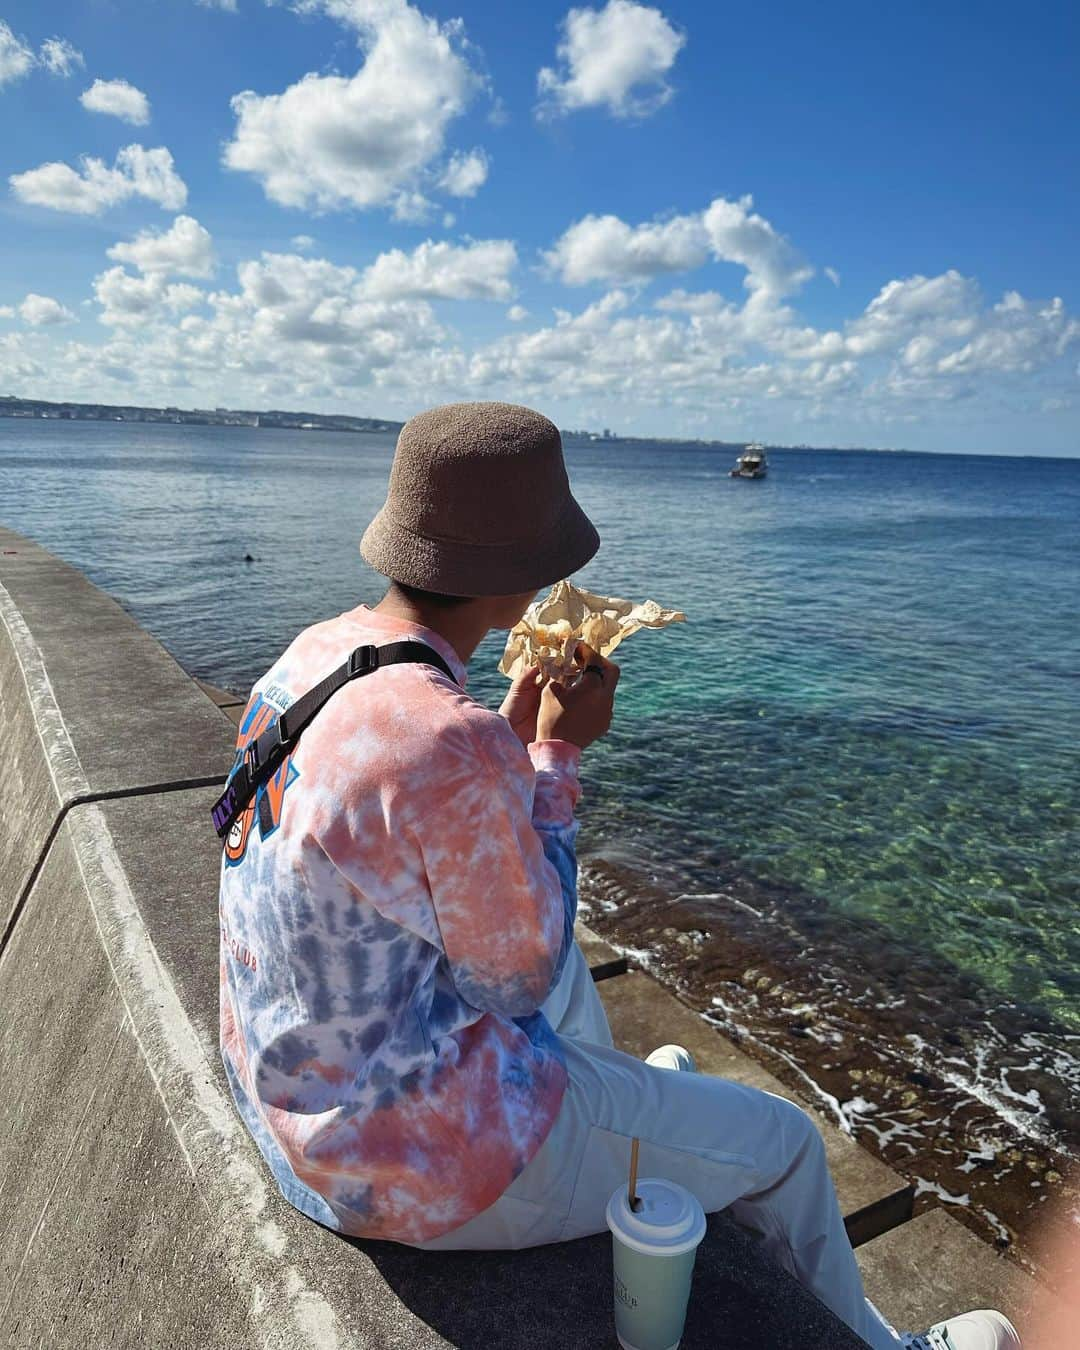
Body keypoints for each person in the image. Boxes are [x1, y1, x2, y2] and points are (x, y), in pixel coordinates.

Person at [218, 402, 1020, 1350]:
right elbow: (513, 978)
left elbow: (399, 830)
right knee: (787, 1146)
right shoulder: (450, 738)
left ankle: (637, 1103)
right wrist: (555, 762)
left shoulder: (316, 657)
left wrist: (510, 744)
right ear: (521, 581)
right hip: (409, 1166)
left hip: (290, 1104)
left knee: (573, 994)